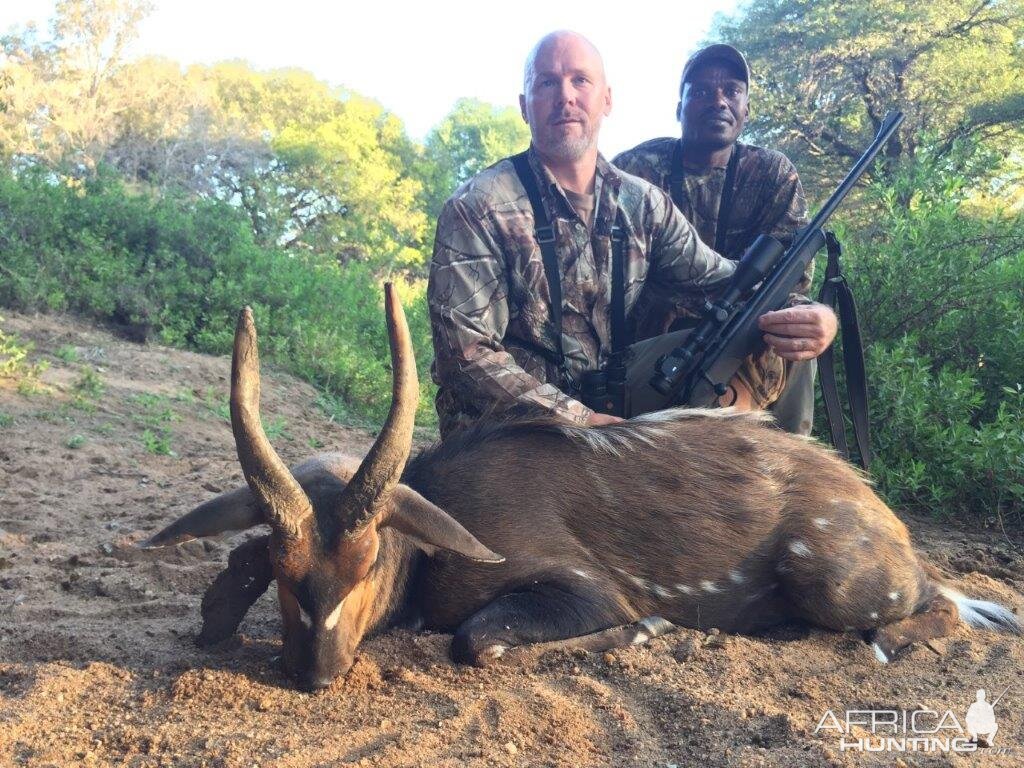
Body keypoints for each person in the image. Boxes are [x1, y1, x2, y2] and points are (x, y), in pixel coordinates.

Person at [427, 31, 737, 437]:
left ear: (607, 99)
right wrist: (577, 419)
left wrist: (808, 313)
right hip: (510, 433)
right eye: (547, 82)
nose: (565, 96)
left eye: (580, 80)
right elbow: (464, 356)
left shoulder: (645, 204)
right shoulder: (479, 206)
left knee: (759, 329)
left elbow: (724, 282)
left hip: (610, 408)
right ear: (525, 107)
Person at [613, 44, 837, 433]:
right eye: (700, 91)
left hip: (743, 337)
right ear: (679, 108)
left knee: (796, 338)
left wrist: (823, 320)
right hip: (654, 347)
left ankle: (794, 470)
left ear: (746, 108)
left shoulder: (772, 174)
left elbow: (789, 286)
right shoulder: (636, 169)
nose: (718, 101)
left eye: (731, 91)